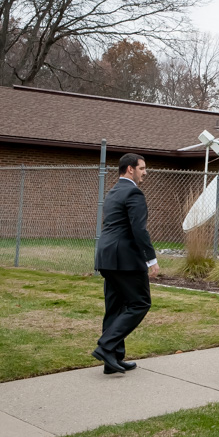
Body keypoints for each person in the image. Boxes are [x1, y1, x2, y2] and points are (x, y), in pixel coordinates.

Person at [93, 153, 160, 374]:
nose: (145, 172)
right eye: (142, 168)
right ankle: (106, 346)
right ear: (129, 169)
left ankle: (113, 360)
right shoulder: (133, 192)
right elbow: (139, 229)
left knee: (115, 306)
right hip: (125, 259)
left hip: (106, 256)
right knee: (140, 303)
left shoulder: (112, 192)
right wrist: (151, 259)